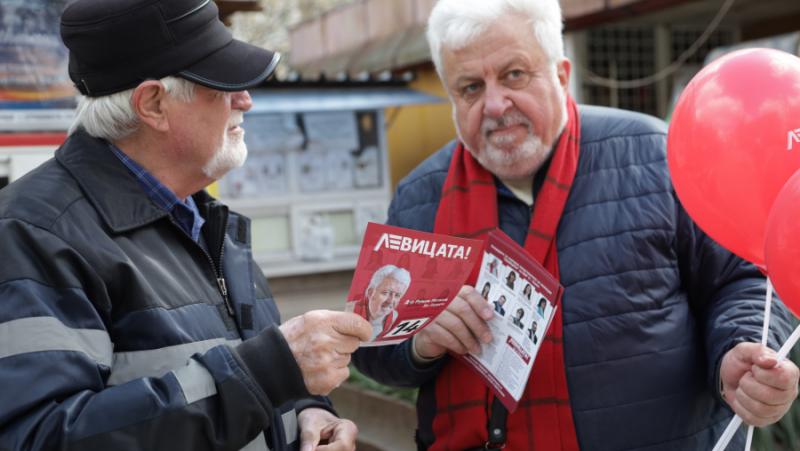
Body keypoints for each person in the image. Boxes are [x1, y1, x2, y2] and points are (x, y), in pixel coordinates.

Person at [353, 0, 800, 449]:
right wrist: (419, 343)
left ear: (561, 74)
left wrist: (739, 350)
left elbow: (742, 278)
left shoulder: (655, 157)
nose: (494, 104)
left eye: (514, 74)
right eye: (470, 87)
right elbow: (368, 344)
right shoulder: (419, 198)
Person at [0, 1, 373, 450]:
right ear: (154, 104)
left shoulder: (205, 221)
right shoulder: (33, 234)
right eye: (223, 84)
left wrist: (307, 412)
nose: (245, 99)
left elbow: (250, 386)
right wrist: (272, 370)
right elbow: (40, 437)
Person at [350, 264, 411, 340]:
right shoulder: (350, 312)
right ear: (370, 292)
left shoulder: (395, 318)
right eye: (385, 293)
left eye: (397, 295)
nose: (390, 301)